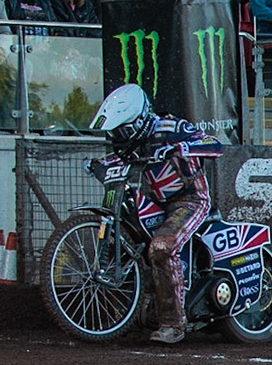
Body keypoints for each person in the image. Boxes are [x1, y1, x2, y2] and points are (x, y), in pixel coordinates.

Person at [86, 84, 223, 344]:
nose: (118, 136)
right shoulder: (131, 143)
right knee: (131, 236)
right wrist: (100, 164)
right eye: (115, 132)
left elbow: (214, 145)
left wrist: (179, 149)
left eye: (122, 130)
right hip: (158, 202)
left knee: (161, 246)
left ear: (138, 120)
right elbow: (120, 160)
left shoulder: (170, 129)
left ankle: (174, 324)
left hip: (191, 199)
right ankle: (132, 312)